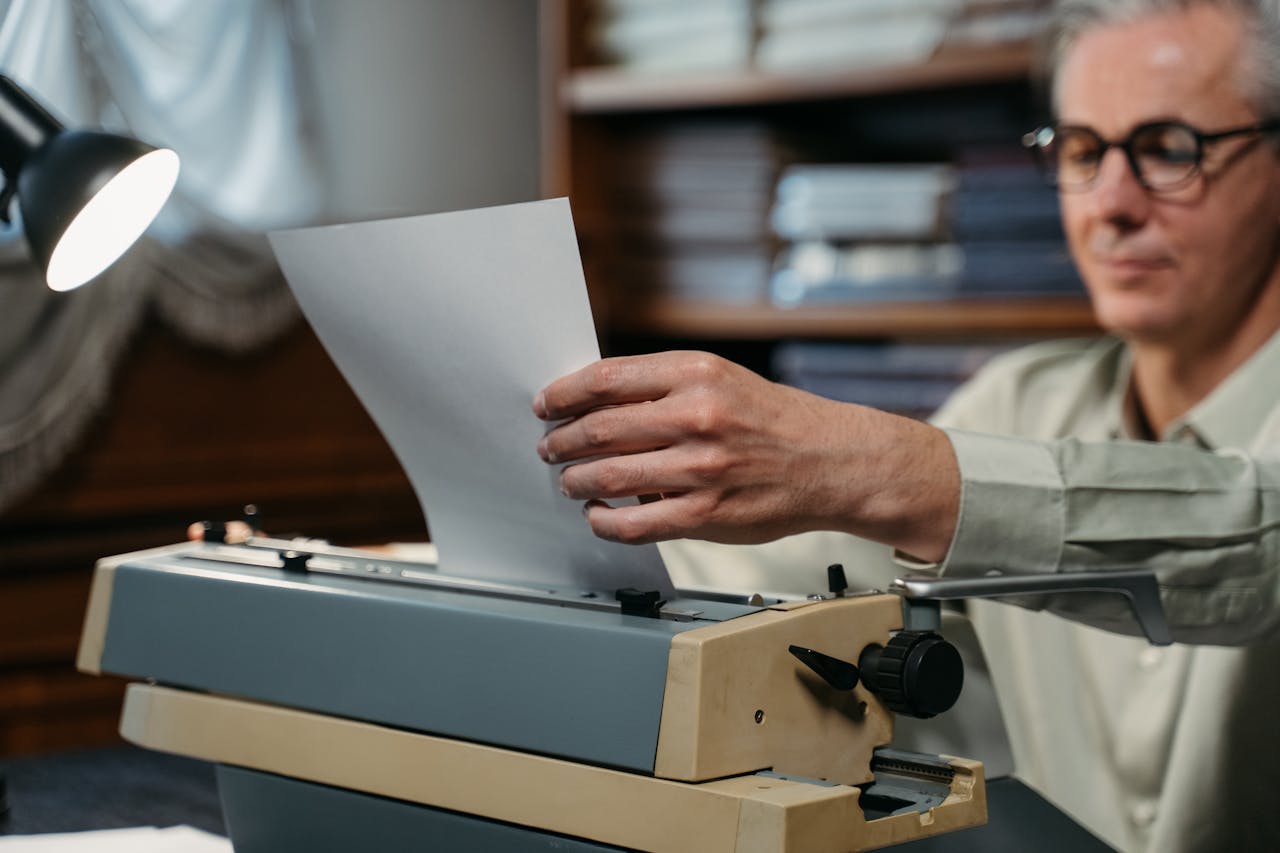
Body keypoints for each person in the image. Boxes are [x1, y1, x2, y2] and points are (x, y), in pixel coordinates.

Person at [533, 1, 1280, 851]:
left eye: (1167, 149)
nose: (1111, 203)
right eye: (1082, 150)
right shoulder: (1021, 401)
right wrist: (503, 539)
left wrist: (867, 462)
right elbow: (791, 567)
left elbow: (1257, 529)